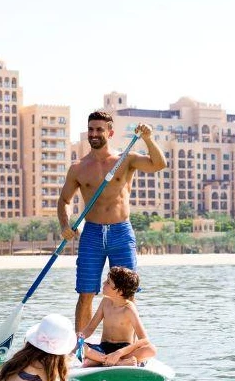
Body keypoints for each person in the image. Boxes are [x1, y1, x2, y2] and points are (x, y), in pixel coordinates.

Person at [59, 110, 167, 339]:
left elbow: (159, 164)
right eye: (91, 129)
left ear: (110, 132)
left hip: (121, 232)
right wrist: (65, 224)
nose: (94, 134)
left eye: (99, 129)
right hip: (92, 234)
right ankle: (82, 346)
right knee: (86, 293)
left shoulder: (125, 159)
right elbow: (64, 200)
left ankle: (126, 347)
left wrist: (148, 138)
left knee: (127, 294)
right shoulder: (78, 168)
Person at [78, 266, 158, 367]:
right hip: (103, 348)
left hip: (123, 350)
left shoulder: (129, 309)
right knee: (78, 346)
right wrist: (80, 337)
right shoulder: (105, 302)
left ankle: (100, 360)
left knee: (151, 350)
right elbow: (90, 328)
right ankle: (117, 362)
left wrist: (119, 353)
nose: (103, 283)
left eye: (108, 282)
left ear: (119, 292)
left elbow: (144, 340)